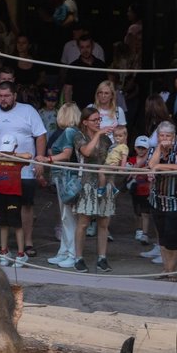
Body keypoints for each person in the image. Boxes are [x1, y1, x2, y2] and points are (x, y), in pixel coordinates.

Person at [0, 81, 47, 257]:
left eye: (6, 96)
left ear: (14, 96)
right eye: (0, 96)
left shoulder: (28, 110)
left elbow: (41, 135)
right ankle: (3, 244)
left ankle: (27, 243)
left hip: (24, 169)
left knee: (26, 205)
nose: (3, 99)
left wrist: (40, 160)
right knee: (1, 206)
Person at [70, 105, 115, 273]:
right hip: (87, 183)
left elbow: (111, 160)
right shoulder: (79, 136)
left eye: (99, 119)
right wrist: (97, 134)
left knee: (104, 223)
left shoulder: (106, 139)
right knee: (83, 223)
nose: (98, 122)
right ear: (85, 122)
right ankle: (78, 258)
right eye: (94, 120)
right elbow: (87, 152)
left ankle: (102, 258)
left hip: (105, 183)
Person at [37, 102, 81, 268]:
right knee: (65, 217)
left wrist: (47, 159)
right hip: (63, 177)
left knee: (69, 218)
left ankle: (72, 253)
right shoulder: (70, 132)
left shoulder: (69, 131)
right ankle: (64, 251)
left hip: (67, 177)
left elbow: (66, 154)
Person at [0, 134, 34, 266]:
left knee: (16, 224)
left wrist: (13, 155)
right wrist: (0, 154)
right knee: (3, 223)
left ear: (15, 146)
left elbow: (28, 156)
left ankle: (21, 254)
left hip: (13, 195)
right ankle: (4, 252)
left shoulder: (17, 159)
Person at [146, 121, 177, 280]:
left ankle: (171, 270)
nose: (164, 138)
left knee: (173, 237)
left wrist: (158, 167)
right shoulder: (154, 149)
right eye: (161, 135)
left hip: (174, 201)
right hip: (157, 200)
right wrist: (159, 149)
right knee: (162, 237)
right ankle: (166, 269)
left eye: (168, 136)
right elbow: (150, 164)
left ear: (173, 136)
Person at [62, 35, 108, 108]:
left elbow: (106, 88)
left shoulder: (101, 65)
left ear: (92, 46)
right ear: (79, 48)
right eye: (82, 47)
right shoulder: (73, 66)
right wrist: (69, 108)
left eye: (88, 47)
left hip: (98, 108)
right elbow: (68, 90)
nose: (85, 50)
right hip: (78, 109)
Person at [126, 135, 153, 246]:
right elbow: (128, 173)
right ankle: (139, 229)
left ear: (148, 149)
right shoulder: (131, 160)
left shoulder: (151, 161)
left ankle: (145, 233)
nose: (141, 150)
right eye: (139, 148)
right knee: (137, 212)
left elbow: (151, 170)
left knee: (145, 213)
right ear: (135, 148)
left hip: (146, 191)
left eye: (144, 148)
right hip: (135, 190)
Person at [98, 125, 128, 198]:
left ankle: (101, 188)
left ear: (125, 136)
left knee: (101, 172)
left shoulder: (124, 146)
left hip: (114, 164)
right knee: (109, 178)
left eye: (120, 136)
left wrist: (122, 168)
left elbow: (124, 158)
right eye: (115, 136)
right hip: (107, 163)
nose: (117, 137)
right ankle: (114, 189)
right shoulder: (113, 145)